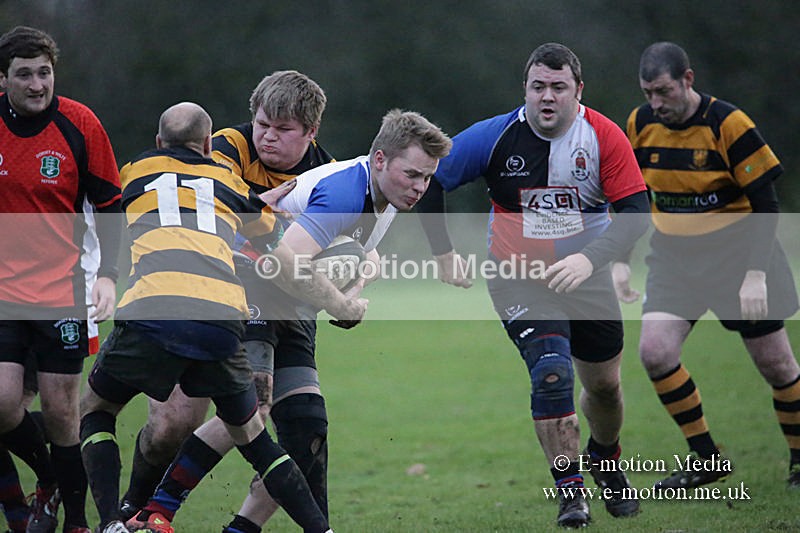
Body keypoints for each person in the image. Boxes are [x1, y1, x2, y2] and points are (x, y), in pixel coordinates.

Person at [127, 108, 452, 533]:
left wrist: (357, 284)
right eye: (412, 175)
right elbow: (287, 261)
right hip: (250, 283)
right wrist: (341, 304)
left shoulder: (384, 195)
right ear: (379, 160)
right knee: (251, 407)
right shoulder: (344, 190)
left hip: (291, 302)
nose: (420, 187)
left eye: (426, 178)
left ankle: (240, 528)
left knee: (306, 426)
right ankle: (158, 510)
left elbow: (356, 254)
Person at [78, 102, 365, 533]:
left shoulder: (133, 169)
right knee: (256, 437)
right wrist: (339, 297)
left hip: (152, 312)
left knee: (97, 409)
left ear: (159, 143)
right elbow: (279, 246)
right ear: (208, 145)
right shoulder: (230, 182)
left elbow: (106, 215)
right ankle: (320, 530)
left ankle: (110, 522)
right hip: (223, 322)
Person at [417, 43, 650, 527]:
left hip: (587, 277)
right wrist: (442, 252)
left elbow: (635, 214)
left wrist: (590, 260)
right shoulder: (496, 135)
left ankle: (606, 460)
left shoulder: (603, 136)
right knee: (551, 373)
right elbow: (432, 177)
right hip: (516, 277)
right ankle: (570, 493)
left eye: (558, 87)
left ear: (577, 91)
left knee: (604, 387)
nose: (547, 97)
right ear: (525, 89)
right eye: (537, 86)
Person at [617, 41, 800, 489]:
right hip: (675, 260)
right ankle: (707, 461)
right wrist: (620, 260)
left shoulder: (728, 124)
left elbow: (766, 204)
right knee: (655, 353)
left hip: (739, 258)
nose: (655, 103)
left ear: (688, 80)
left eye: (663, 91)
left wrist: (755, 275)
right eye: (647, 93)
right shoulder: (640, 124)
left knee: (776, 366)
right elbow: (630, 197)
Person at [0, 26, 122, 533]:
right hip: (4, 293)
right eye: (24, 74)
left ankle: (75, 521)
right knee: (2, 404)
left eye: (44, 73)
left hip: (63, 290)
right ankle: (48, 479)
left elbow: (112, 204)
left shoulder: (80, 124)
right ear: (2, 79)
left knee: (61, 416)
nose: (36, 84)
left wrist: (110, 276)